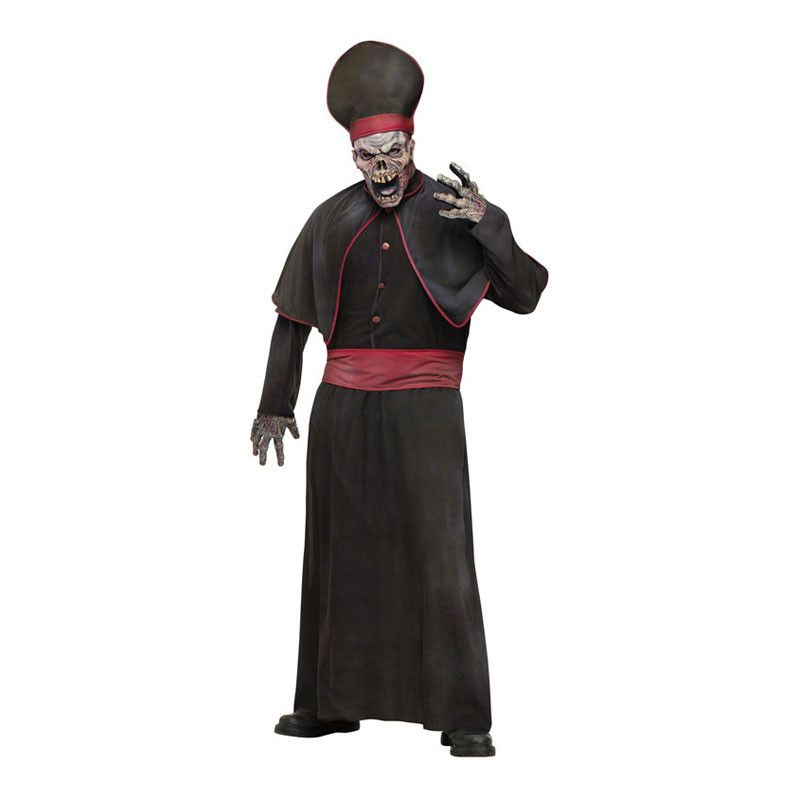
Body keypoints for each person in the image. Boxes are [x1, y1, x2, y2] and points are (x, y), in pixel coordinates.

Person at [251, 40, 548, 758]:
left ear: (412, 145)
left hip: (427, 411)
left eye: (393, 152)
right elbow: (292, 319)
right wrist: (275, 403)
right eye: (369, 156)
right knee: (338, 557)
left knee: (440, 559)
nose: (382, 168)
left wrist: (488, 220)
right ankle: (327, 704)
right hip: (341, 409)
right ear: (353, 154)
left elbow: (527, 293)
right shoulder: (329, 219)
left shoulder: (455, 211)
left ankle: (463, 716)